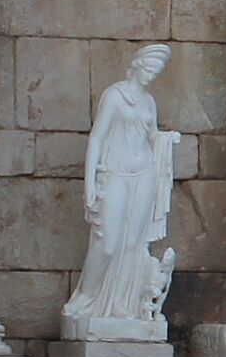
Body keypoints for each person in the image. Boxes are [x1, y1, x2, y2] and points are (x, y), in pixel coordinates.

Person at [67, 44, 183, 328]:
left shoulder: (149, 102)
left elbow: (152, 136)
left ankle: (122, 305)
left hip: (144, 174)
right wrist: (89, 181)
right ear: (137, 65)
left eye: (156, 73)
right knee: (108, 242)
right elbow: (96, 138)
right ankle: (84, 297)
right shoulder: (115, 96)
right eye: (149, 69)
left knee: (134, 243)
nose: (151, 76)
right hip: (115, 173)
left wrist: (166, 139)